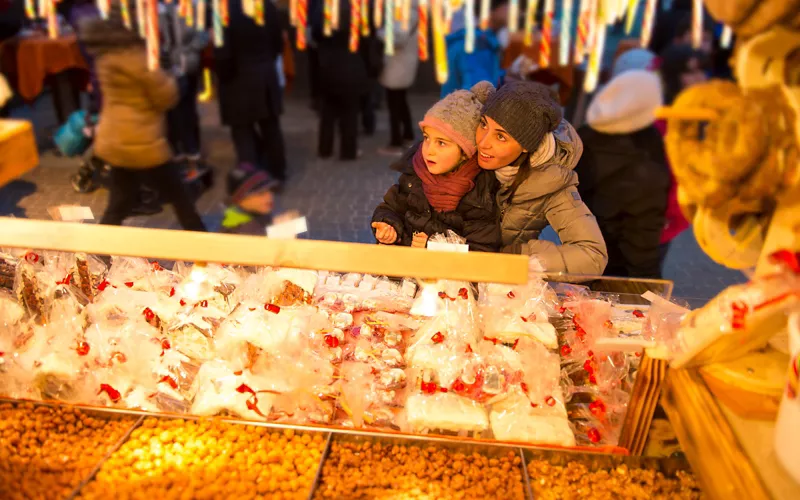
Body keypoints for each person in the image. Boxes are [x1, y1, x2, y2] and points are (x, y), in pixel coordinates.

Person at [79, 1, 206, 231]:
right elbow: (165, 96)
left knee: (119, 203)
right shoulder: (137, 58)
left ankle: (98, 253)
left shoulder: (106, 56)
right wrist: (172, 78)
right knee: (180, 199)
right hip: (143, 143)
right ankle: (206, 247)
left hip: (116, 140)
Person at [476, 81, 608, 275]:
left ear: (526, 145)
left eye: (501, 137)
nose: (482, 142)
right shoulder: (463, 152)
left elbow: (592, 255)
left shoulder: (552, 182)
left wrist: (517, 256)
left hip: (502, 287)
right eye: (483, 124)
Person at [372, 82, 501, 252]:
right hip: (407, 270)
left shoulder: (480, 193)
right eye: (426, 138)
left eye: (441, 143)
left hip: (448, 277)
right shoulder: (414, 175)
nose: (428, 150)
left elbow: (482, 250)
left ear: (465, 151)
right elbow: (391, 207)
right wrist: (389, 226)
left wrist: (435, 247)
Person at [574, 64, 670, 278]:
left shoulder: (583, 136)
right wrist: (649, 291)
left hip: (584, 260)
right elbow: (642, 241)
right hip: (625, 271)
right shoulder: (646, 153)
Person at [215, 0, 286, 185]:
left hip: (237, 80)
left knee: (242, 131)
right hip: (265, 75)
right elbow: (277, 44)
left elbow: (222, 52)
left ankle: (253, 179)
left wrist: (224, 76)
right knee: (271, 127)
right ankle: (278, 173)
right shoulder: (267, 6)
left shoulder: (223, 10)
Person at [655, 44, 710, 269]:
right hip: (654, 218)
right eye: (690, 72)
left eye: (701, 71)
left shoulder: (702, 115)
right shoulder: (659, 118)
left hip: (675, 216)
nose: (699, 78)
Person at [311, 0, 371, 161]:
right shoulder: (357, 7)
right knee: (350, 112)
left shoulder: (323, 7)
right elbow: (366, 37)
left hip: (328, 64)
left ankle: (325, 148)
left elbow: (316, 33)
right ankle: (348, 151)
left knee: (328, 111)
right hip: (351, 63)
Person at [159, 0, 209, 181]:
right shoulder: (155, 8)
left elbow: (202, 36)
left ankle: (193, 157)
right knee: (171, 114)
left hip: (188, 67)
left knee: (186, 112)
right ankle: (179, 157)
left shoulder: (192, 5)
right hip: (166, 70)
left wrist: (187, 52)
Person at [440, 0, 508, 97]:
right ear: (491, 10)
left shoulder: (483, 41)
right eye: (507, 4)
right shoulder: (475, 45)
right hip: (463, 111)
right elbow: (478, 92)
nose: (516, 11)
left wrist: (507, 75)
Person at [377, 1, 418, 156]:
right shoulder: (410, 11)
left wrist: (380, 34)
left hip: (398, 63)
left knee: (394, 102)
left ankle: (395, 142)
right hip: (401, 62)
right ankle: (407, 136)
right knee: (400, 101)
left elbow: (398, 37)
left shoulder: (407, 12)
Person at [222, 163, 276, 235]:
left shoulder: (258, 210)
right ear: (240, 200)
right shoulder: (238, 232)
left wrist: (275, 224)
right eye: (261, 193)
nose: (270, 196)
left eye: (270, 190)